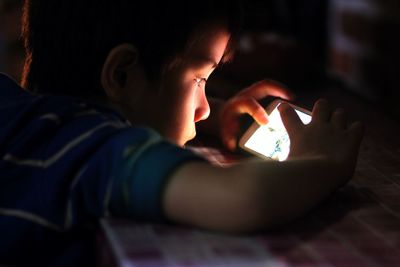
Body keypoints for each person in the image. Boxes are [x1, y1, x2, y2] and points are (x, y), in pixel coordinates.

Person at [0, 0, 364, 266]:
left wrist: (217, 113)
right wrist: (323, 161)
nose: (203, 106)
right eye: (200, 79)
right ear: (122, 74)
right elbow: (240, 198)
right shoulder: (97, 150)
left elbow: (139, 102)